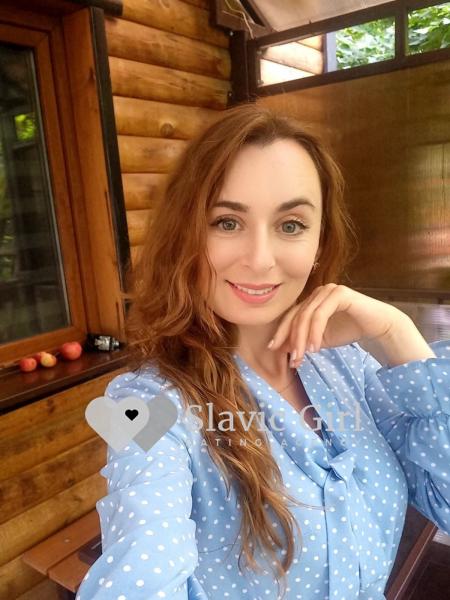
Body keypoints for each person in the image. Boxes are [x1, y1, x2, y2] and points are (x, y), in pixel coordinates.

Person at [75, 103, 450, 600]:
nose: (259, 259)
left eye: (291, 225)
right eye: (227, 222)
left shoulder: (349, 366)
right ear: (186, 234)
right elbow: (141, 560)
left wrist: (396, 333)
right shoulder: (142, 404)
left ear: (319, 242)